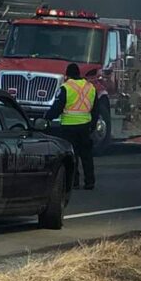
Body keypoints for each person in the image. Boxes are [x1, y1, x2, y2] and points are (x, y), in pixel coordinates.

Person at [51, 62, 97, 190]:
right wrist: (92, 125)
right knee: (86, 155)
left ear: (67, 75)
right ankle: (90, 181)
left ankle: (74, 182)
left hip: (69, 127)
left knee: (72, 156)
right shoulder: (90, 87)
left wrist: (46, 118)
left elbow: (57, 108)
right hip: (85, 126)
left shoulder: (65, 87)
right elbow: (95, 109)